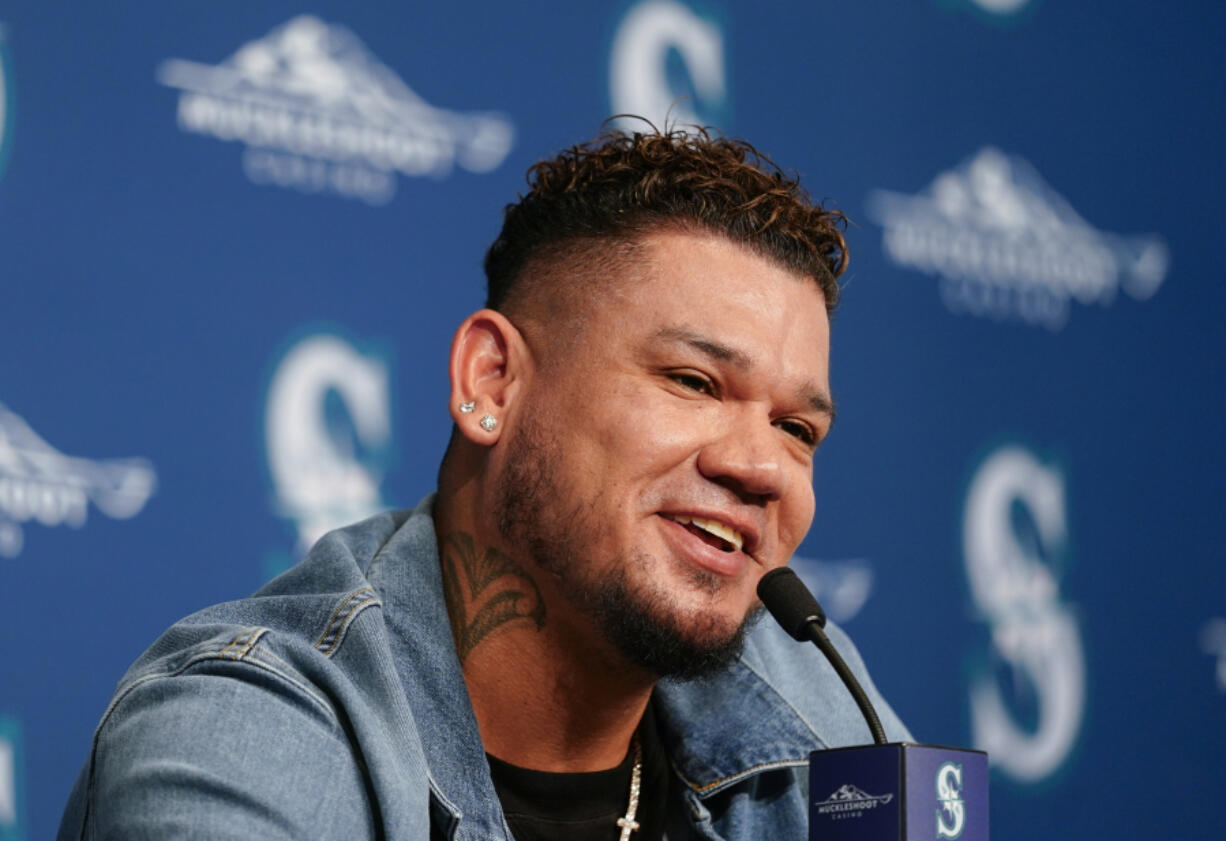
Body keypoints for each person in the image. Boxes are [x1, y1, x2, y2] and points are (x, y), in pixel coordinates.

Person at [58, 126, 909, 841]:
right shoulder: (240, 735)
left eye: (798, 430)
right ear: (493, 382)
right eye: (693, 381)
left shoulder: (819, 708)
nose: (760, 467)